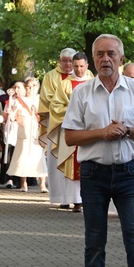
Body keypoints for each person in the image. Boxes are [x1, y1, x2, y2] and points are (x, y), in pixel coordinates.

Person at [63, 33, 134, 267]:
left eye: (111, 54)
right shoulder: (82, 92)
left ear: (120, 57)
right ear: (93, 58)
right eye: (100, 54)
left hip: (129, 173)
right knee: (94, 244)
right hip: (94, 175)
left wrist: (127, 130)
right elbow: (70, 136)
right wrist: (101, 133)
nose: (105, 59)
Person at [48, 52, 92, 211]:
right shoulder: (66, 84)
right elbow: (56, 106)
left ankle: (87, 199)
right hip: (72, 128)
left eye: (81, 66)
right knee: (70, 165)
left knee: (88, 162)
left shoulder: (93, 83)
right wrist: (74, 112)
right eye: (76, 66)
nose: (79, 70)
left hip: (89, 131)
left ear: (87, 66)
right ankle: (75, 200)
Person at [38, 47, 76, 209]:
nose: (68, 64)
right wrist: (71, 108)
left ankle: (77, 197)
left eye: (71, 61)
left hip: (79, 126)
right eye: (65, 61)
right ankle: (62, 197)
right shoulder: (50, 77)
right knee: (58, 160)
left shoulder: (87, 76)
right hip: (58, 126)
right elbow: (48, 99)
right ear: (60, 61)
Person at [7, 80, 47, 192]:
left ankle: (42, 184)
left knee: (39, 158)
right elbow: (13, 116)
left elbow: (45, 115)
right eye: (28, 87)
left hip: (36, 133)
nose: (30, 89)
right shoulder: (19, 101)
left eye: (33, 87)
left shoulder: (40, 100)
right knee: (23, 158)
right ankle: (23, 184)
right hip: (24, 132)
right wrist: (11, 115)